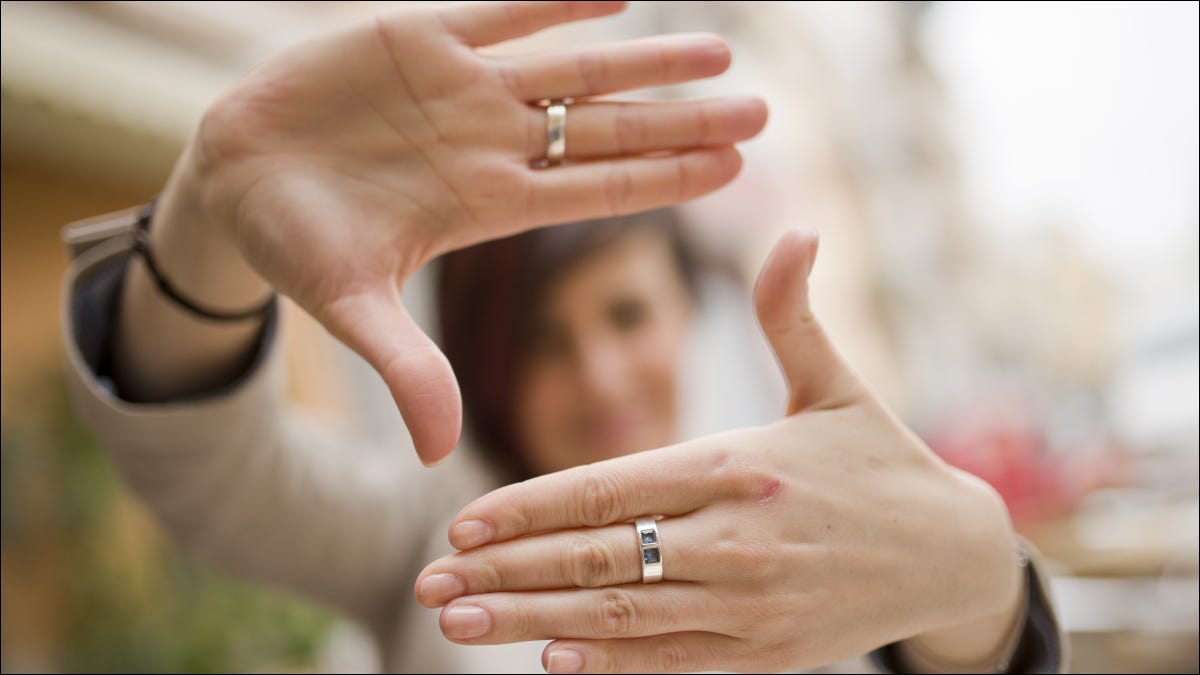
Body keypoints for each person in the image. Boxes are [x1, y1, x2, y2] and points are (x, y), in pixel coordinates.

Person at [60, 1, 1062, 672]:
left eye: (626, 315)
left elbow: (943, 633)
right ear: (484, 352)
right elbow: (206, 471)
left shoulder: (799, 509)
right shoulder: (433, 532)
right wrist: (206, 217)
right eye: (544, 339)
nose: (600, 372)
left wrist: (984, 583)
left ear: (685, 309)